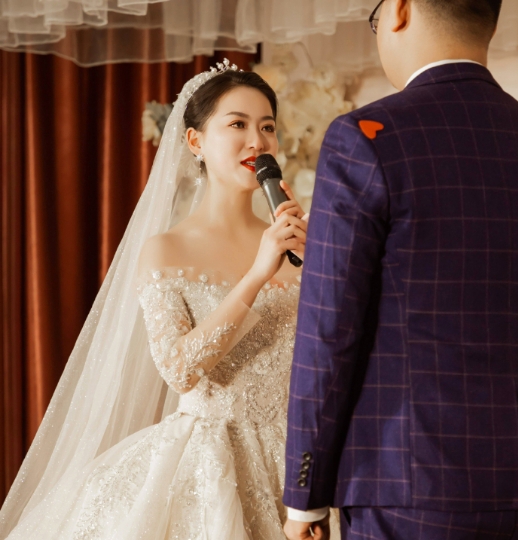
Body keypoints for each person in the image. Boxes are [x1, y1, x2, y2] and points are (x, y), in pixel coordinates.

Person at [0, 62, 310, 539]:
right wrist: (256, 275)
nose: (258, 141)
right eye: (238, 124)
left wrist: (324, 261)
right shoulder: (167, 250)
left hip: (299, 464)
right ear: (194, 142)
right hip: (212, 469)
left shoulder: (299, 244)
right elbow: (179, 369)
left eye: (267, 126)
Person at [283, 0, 518, 539]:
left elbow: (329, 331)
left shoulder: (365, 137)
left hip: (407, 487)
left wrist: (305, 495)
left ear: (399, 11)